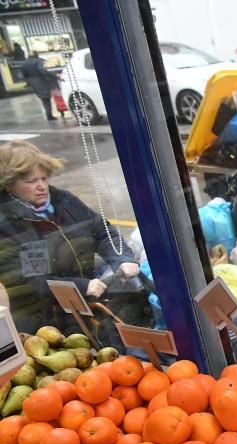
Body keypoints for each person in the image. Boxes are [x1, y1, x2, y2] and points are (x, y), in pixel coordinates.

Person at [0, 140, 138, 334]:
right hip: (46, 324)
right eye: (31, 181)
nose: (41, 186)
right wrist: (83, 287)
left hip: (88, 308)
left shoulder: (64, 201)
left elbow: (102, 232)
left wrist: (122, 259)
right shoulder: (7, 225)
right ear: (9, 184)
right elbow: (31, 283)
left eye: (44, 178)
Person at [20, 51, 58, 120]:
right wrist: (55, 76)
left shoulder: (24, 63)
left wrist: (29, 82)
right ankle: (49, 115)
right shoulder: (37, 61)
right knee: (46, 98)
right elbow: (42, 71)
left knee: (43, 98)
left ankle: (49, 114)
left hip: (33, 83)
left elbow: (24, 75)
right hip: (41, 81)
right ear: (36, 55)